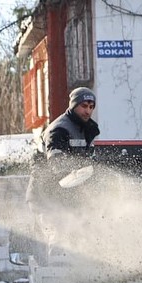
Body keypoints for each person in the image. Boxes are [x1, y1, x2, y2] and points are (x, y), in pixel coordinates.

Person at [25, 87, 100, 258]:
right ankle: (58, 278)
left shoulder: (86, 130)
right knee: (59, 232)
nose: (88, 110)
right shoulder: (58, 130)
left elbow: (89, 164)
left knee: (85, 230)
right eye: (84, 106)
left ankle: (81, 270)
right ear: (73, 106)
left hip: (66, 192)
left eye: (91, 106)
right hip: (44, 194)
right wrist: (76, 175)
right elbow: (57, 164)